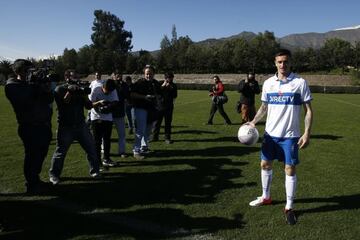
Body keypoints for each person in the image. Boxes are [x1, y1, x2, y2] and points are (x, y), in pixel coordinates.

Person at [247, 49, 313, 225]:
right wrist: (253, 122)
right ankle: (266, 197)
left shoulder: (300, 83)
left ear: (290, 62)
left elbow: (309, 111)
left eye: (285, 62)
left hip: (290, 136)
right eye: (279, 62)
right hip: (270, 135)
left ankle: (289, 207)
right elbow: (263, 107)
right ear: (275, 63)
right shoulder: (268, 83)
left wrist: (306, 132)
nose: (282, 65)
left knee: (289, 169)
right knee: (264, 164)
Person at [5, 59, 53, 194]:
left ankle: (35, 180)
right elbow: (24, 100)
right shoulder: (12, 85)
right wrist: (35, 84)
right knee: (32, 156)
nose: (32, 73)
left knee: (40, 156)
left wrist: (46, 88)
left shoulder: (32, 84)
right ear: (20, 71)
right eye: (29, 71)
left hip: (43, 125)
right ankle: (31, 184)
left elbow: (49, 99)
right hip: (30, 127)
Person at [49, 70, 101, 185]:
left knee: (91, 148)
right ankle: (54, 175)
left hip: (81, 125)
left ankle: (95, 171)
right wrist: (70, 91)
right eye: (74, 77)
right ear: (66, 77)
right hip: (65, 126)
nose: (77, 79)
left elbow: (88, 106)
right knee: (60, 152)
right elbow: (64, 102)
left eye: (78, 77)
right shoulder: (60, 89)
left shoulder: (79, 89)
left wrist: (84, 94)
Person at [130, 65, 162, 160]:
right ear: (144, 74)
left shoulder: (155, 83)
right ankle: (136, 150)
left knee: (148, 130)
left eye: (150, 74)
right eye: (147, 74)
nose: (149, 75)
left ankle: (144, 147)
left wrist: (158, 99)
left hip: (151, 109)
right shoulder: (139, 83)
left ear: (154, 74)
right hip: (141, 108)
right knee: (140, 130)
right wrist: (144, 97)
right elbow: (132, 94)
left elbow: (159, 95)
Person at [89, 78, 119, 168]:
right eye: (107, 91)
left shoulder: (113, 90)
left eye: (110, 91)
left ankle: (106, 158)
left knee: (107, 139)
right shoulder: (96, 89)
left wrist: (109, 106)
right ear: (102, 87)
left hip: (108, 117)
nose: (108, 93)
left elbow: (116, 102)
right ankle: (97, 162)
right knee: (97, 141)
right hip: (96, 117)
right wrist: (99, 103)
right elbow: (90, 104)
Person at [152, 72, 178, 144]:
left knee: (168, 123)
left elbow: (175, 96)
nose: (169, 79)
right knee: (157, 123)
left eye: (171, 78)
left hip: (169, 107)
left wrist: (170, 88)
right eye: (168, 78)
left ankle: (167, 138)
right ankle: (155, 137)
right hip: (159, 107)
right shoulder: (159, 83)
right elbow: (156, 92)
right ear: (165, 78)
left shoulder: (174, 86)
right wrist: (162, 86)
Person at [112, 72, 129, 158]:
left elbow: (126, 95)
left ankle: (122, 151)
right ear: (114, 76)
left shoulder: (124, 85)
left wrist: (122, 86)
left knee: (122, 134)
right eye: (117, 76)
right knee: (105, 134)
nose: (119, 77)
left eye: (120, 75)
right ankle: (104, 151)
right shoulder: (110, 84)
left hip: (120, 112)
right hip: (110, 113)